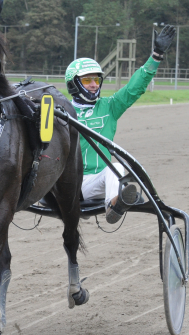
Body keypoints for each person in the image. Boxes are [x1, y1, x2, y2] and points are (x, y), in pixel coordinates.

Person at [65, 25, 176, 223]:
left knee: (115, 167)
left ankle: (114, 205)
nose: (94, 85)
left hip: (97, 183)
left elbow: (134, 87)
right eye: (88, 80)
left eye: (96, 80)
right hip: (69, 184)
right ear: (74, 83)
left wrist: (156, 56)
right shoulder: (61, 111)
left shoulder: (109, 107)